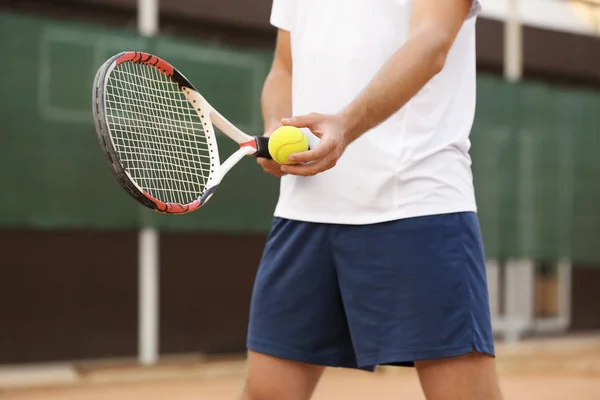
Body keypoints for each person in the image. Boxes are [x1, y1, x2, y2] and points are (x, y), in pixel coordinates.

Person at [245, 0, 503, 399]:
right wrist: (275, 128)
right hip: (305, 213)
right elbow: (284, 67)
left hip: (418, 204)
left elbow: (432, 41)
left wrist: (344, 126)